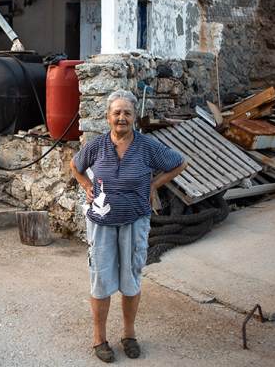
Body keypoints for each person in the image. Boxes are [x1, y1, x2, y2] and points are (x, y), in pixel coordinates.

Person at [70, 89, 187, 363]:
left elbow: (180, 163)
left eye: (127, 113)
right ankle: (99, 338)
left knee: (131, 279)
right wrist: (87, 185)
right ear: (108, 117)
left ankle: (129, 335)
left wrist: (153, 185)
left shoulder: (147, 147)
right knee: (100, 279)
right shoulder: (97, 146)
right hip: (101, 223)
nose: (121, 118)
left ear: (134, 117)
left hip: (135, 221)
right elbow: (75, 165)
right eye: (116, 113)